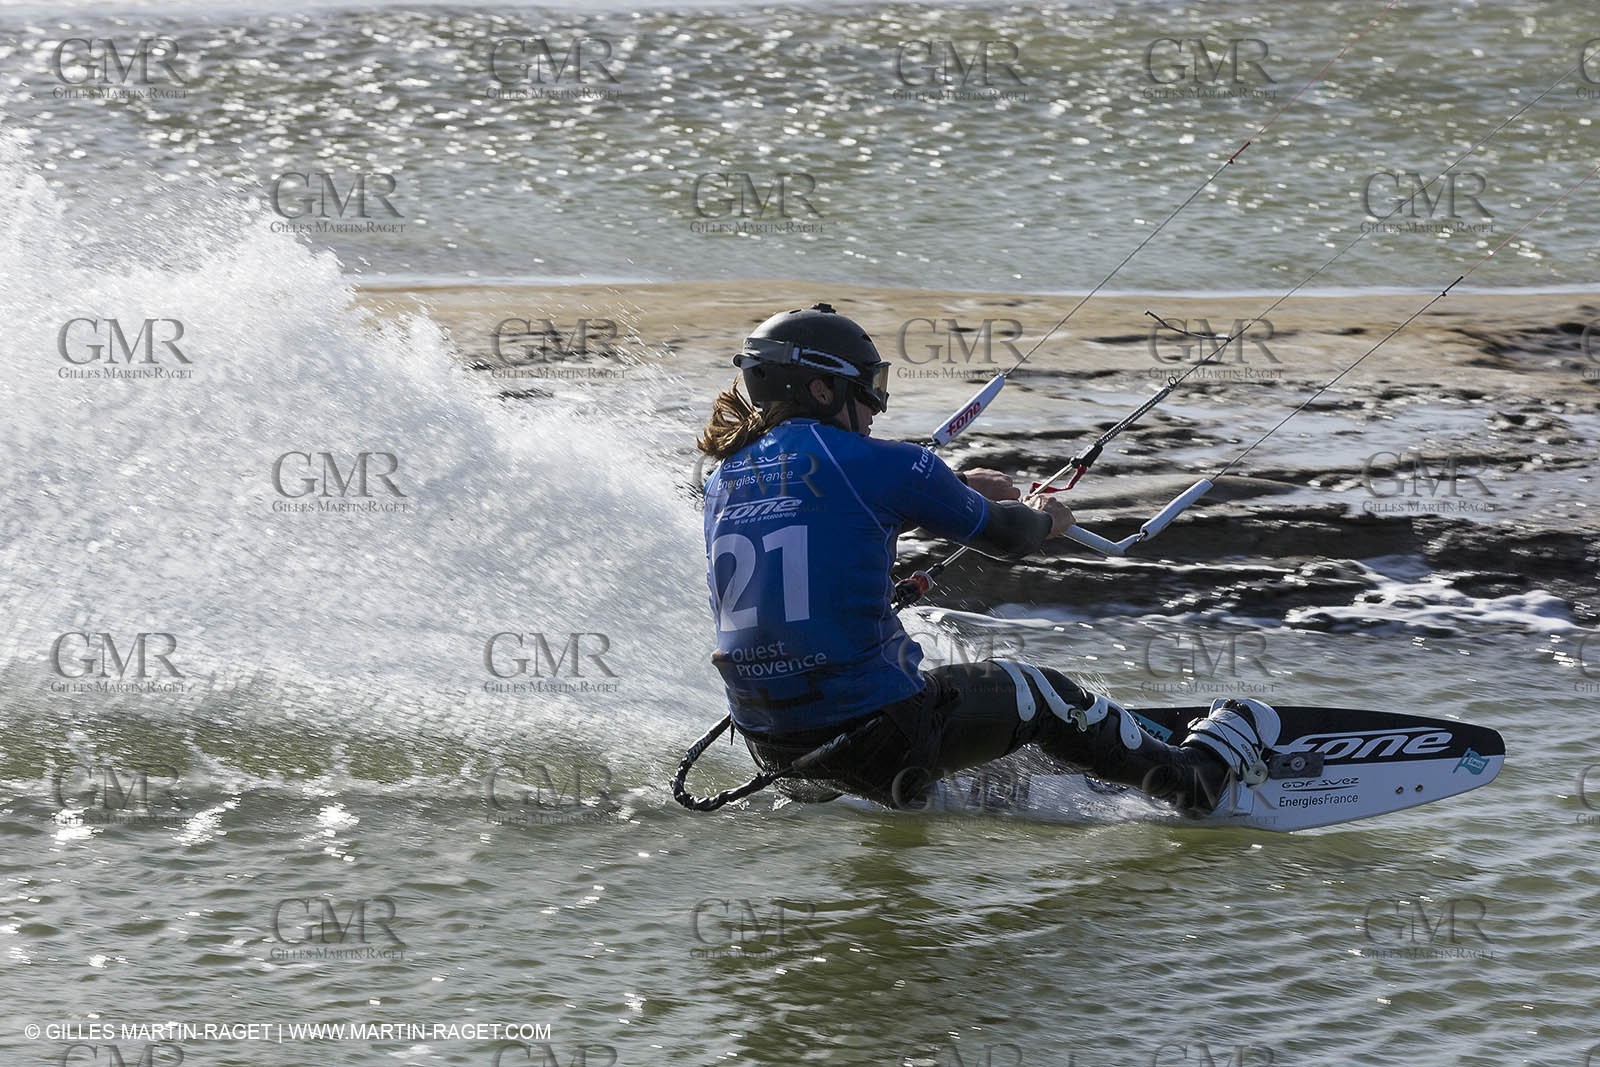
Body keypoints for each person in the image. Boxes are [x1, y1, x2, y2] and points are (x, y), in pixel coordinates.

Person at [695, 302, 1279, 814]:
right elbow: (1008, 538)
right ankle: (1195, 780)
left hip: (779, 752)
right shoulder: (884, 462)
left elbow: (811, 565)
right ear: (823, 389)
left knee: (924, 683)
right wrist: (1049, 518)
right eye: (868, 386)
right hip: (882, 740)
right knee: (1037, 692)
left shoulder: (726, 477)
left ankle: (1009, 772)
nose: (876, 406)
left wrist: (956, 490)